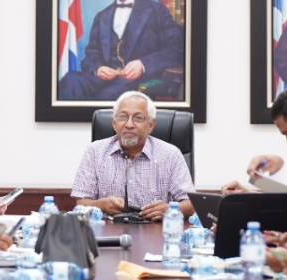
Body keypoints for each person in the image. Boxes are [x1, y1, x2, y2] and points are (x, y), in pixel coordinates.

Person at [57, 0, 184, 100]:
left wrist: (143, 65)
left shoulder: (156, 11)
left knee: (105, 97)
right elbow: (91, 55)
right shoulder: (102, 16)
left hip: (138, 82)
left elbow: (177, 50)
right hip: (104, 80)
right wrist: (98, 68)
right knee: (69, 81)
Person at [71, 91, 194, 219]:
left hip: (154, 234)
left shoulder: (169, 154)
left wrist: (167, 210)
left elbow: (191, 204)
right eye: (123, 117)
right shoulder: (95, 151)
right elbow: (81, 203)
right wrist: (101, 205)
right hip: (108, 232)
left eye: (138, 118)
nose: (129, 124)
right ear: (114, 122)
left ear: (151, 125)